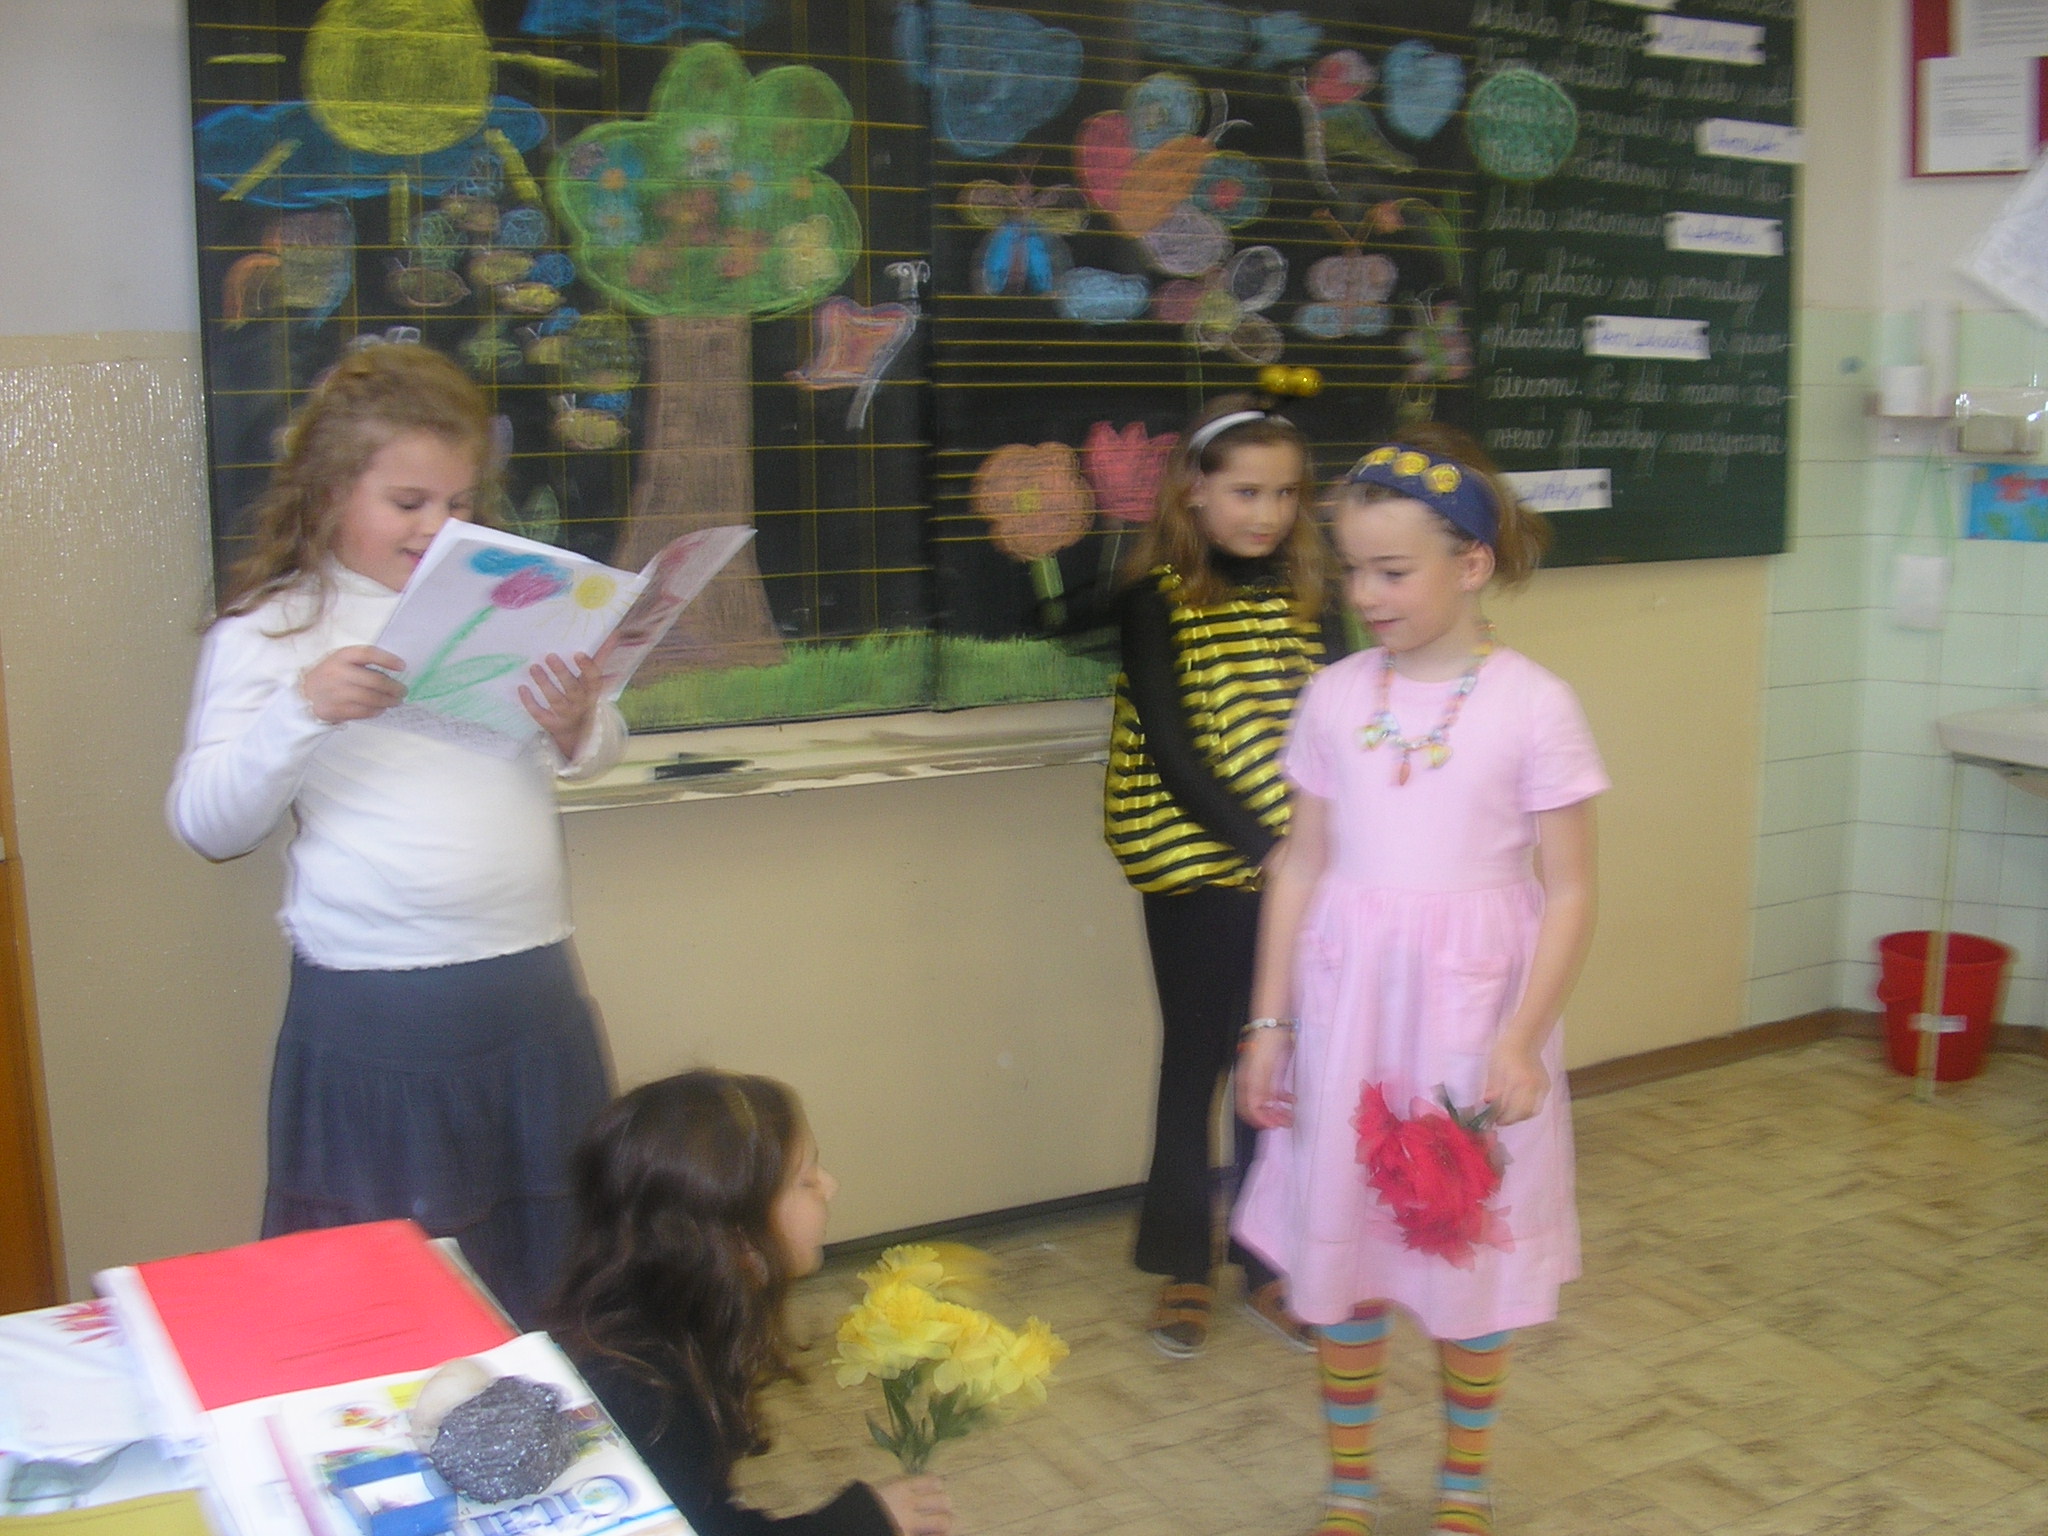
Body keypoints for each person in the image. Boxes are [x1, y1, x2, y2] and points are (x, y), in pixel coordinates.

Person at [167, 341, 625, 1325]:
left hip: (530, 990)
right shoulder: (273, 629)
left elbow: (599, 743)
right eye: (408, 502)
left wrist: (579, 725)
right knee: (388, 1292)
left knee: (552, 1265)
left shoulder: (507, 600)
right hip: (378, 1009)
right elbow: (208, 823)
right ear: (332, 490)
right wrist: (302, 710)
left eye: (459, 503)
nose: (438, 527)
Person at [1234, 424, 1605, 1536]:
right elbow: (1300, 861)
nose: (1365, 595)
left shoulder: (1534, 704)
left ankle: (1463, 1482)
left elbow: (1571, 891)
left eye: (1391, 572)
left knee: (1463, 1244)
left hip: (1471, 1020)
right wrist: (1267, 1024)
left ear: (1471, 564)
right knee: (1346, 1243)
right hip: (1349, 1016)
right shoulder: (1333, 695)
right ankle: (1349, 1484)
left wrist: (1520, 1039)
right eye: (1352, 570)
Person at [1102, 394, 1347, 1358]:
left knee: (1274, 1060)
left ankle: (1267, 1258)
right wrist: (1269, 849)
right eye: (1247, 491)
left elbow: (1340, 731)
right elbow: (1174, 750)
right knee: (1198, 1058)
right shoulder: (1154, 599)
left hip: (1294, 867)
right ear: (1195, 491)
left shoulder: (1311, 601)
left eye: (1285, 494)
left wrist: (1315, 853)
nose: (1268, 513)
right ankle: (1181, 1265)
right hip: (1196, 867)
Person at [551, 1071, 953, 1536]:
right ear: (735, 1234)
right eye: (806, 1180)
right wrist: (861, 1521)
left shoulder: (666, 1320)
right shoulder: (648, 1397)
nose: (830, 1185)